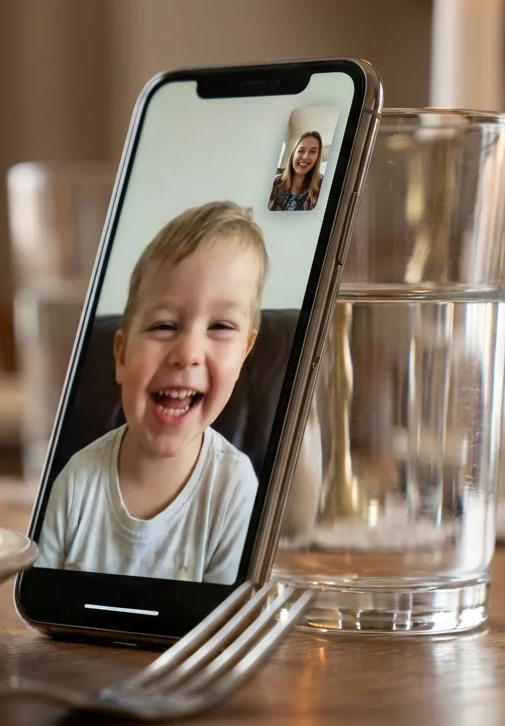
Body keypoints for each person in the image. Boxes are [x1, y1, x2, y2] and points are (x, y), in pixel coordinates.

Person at [34, 200, 264, 584]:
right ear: (121, 355)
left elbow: (220, 625)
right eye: (163, 326)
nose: (188, 354)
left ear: (244, 354)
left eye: (221, 326)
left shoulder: (235, 487)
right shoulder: (76, 482)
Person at [267, 131, 323, 212]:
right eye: (301, 151)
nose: (305, 157)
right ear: (293, 154)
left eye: (312, 151)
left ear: (317, 157)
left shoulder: (323, 188)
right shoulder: (275, 183)